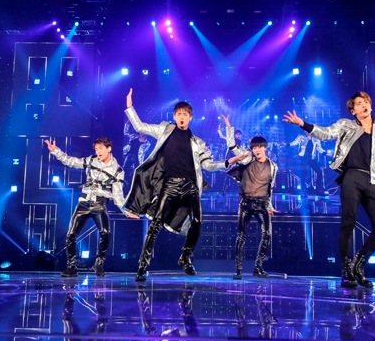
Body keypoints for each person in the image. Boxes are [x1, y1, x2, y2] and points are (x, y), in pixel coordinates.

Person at [283, 91, 375, 288]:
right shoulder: (346, 125)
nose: (364, 105)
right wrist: (302, 123)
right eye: (359, 103)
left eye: (366, 102)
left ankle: (358, 265)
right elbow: (325, 133)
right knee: (348, 222)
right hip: (352, 176)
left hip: (374, 179)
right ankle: (346, 271)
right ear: (353, 110)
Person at [123, 89, 247, 282]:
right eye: (179, 114)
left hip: (191, 187)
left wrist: (229, 162)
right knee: (155, 224)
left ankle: (185, 257)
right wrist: (130, 106)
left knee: (197, 222)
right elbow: (140, 127)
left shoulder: (197, 142)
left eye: (185, 114)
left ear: (190, 118)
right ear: (174, 116)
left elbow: (208, 165)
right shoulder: (165, 130)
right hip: (170, 185)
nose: (182, 117)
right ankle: (142, 267)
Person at [46, 137, 135, 277]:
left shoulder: (118, 170)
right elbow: (71, 161)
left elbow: (118, 195)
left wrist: (126, 211)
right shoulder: (91, 160)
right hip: (84, 203)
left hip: (99, 204)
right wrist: (55, 151)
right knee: (70, 235)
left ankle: (98, 264)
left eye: (101, 148)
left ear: (109, 149)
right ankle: (71, 267)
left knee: (105, 233)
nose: (98, 151)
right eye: (96, 149)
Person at [222, 115, 278, 279]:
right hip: (246, 203)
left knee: (267, 234)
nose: (257, 150)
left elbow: (270, 187)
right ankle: (238, 270)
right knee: (241, 236)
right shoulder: (247, 158)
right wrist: (229, 127)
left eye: (260, 147)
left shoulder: (273, 166)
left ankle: (258, 267)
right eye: (254, 147)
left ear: (264, 147)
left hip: (262, 204)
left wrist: (270, 205)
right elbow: (232, 145)